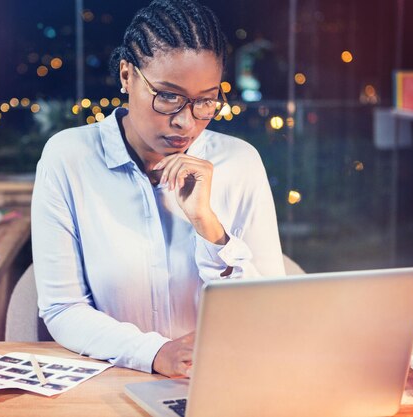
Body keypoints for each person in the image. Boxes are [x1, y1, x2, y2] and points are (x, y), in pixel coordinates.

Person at [31, 0, 285, 378]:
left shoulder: (240, 162)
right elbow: (62, 308)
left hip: (219, 380)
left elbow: (271, 311)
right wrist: (154, 353)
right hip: (111, 382)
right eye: (168, 95)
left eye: (205, 101)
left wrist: (208, 226)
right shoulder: (68, 159)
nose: (185, 121)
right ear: (126, 75)